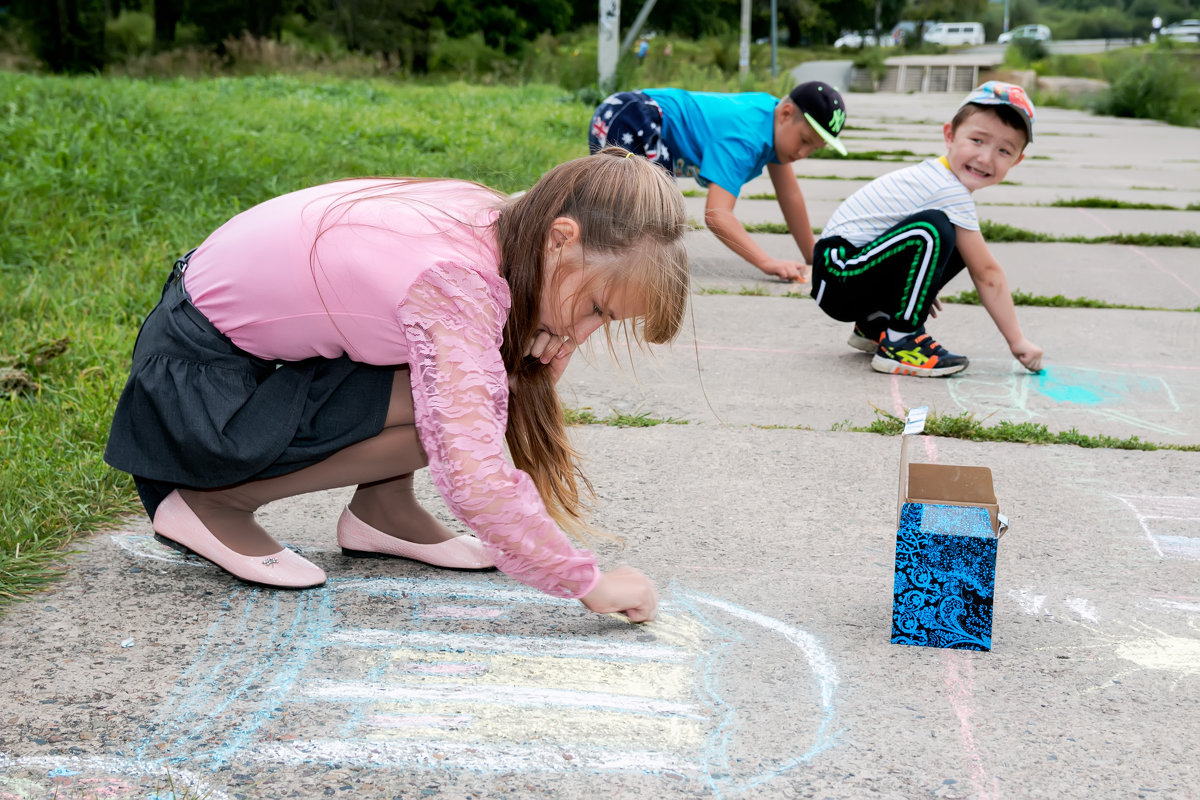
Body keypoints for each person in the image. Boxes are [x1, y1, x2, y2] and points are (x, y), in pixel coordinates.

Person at [103, 148, 690, 623]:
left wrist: (539, 356)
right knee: (465, 407)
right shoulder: (454, 284)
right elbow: (474, 472)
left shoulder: (496, 218)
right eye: (594, 308)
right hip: (202, 406)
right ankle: (216, 503)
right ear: (561, 237)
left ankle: (384, 508)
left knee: (477, 385)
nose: (578, 332)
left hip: (228, 361)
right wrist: (585, 581)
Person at [810, 81, 1044, 378]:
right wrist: (1017, 341)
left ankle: (874, 325)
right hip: (838, 272)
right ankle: (899, 340)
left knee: (960, 241)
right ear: (949, 135)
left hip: (846, 274)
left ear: (1017, 160)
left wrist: (916, 282)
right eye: (977, 140)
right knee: (934, 228)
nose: (985, 158)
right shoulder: (946, 189)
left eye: (1003, 150)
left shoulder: (943, 182)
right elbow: (987, 274)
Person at [588, 81, 848, 282]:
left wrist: (813, 257)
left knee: (643, 216)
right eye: (804, 141)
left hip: (624, 111)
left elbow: (790, 196)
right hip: (634, 117)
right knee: (655, 213)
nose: (803, 154)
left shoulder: (772, 119)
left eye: (813, 149)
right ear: (786, 113)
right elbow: (717, 214)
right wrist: (766, 262)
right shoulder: (746, 139)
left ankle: (597, 254)